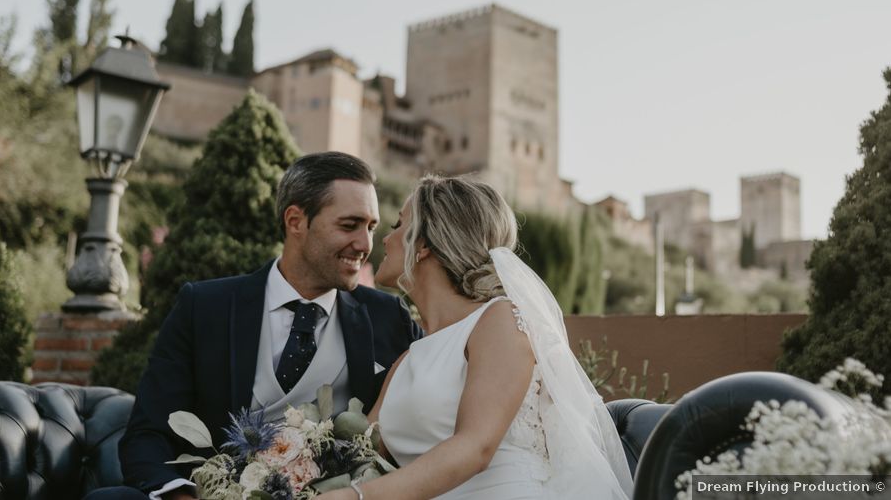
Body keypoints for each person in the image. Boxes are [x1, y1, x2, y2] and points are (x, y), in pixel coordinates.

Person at [85, 152, 421, 500]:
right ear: (295, 221)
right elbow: (147, 433)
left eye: (370, 227)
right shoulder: (204, 307)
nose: (365, 245)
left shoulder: (388, 317)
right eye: (349, 226)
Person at [315, 175, 633, 500]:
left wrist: (356, 497)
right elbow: (359, 451)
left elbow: (475, 446)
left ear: (423, 244)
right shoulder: (407, 361)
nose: (384, 239)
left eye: (398, 225)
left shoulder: (500, 320)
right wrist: (287, 466)